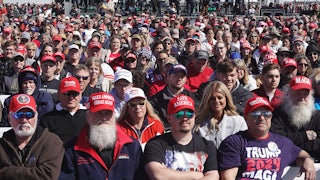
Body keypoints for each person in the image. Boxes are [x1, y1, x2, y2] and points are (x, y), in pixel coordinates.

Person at [218, 96, 316, 180]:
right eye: (255, 114)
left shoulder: (282, 143)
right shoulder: (234, 142)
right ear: (246, 117)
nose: (261, 118)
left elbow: (300, 154)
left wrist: (308, 160)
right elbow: (228, 178)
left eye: (266, 114)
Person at [59, 92, 143, 179]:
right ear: (88, 116)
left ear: (114, 116)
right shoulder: (72, 149)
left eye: (108, 113)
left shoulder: (132, 146)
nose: (103, 118)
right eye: (98, 113)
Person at [143, 95, 219, 179]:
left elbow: (213, 176)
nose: (185, 118)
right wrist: (194, 176)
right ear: (169, 118)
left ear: (194, 116)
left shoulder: (207, 145)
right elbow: (158, 175)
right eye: (179, 114)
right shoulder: (156, 144)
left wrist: (170, 174)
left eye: (190, 114)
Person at [0, 94, 64, 179]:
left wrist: (5, 173)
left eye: (29, 115)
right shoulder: (2, 145)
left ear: (36, 116)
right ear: (9, 119)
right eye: (19, 115)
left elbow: (47, 176)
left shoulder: (52, 142)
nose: (24, 120)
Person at [271, 76, 320, 162]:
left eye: (305, 94)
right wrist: (304, 136)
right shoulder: (278, 114)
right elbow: (277, 140)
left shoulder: (318, 116)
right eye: (297, 93)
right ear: (288, 94)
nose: (302, 98)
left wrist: (293, 141)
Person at [194, 81, 247, 148]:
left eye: (220, 98)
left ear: (226, 98)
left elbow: (244, 146)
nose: (216, 101)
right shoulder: (198, 122)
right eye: (212, 98)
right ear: (207, 100)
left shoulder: (238, 121)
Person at [40, 77, 87, 145]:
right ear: (59, 94)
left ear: (80, 95)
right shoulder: (48, 119)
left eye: (74, 93)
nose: (71, 97)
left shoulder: (89, 116)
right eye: (67, 93)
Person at [150, 64, 197, 131]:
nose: (179, 79)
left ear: (186, 79)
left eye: (182, 76)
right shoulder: (155, 101)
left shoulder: (193, 98)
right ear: (168, 77)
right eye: (176, 75)